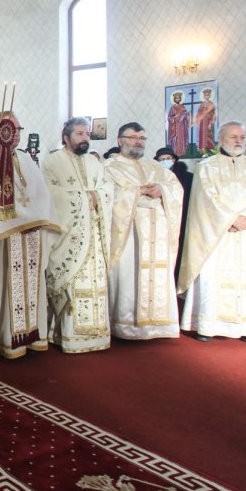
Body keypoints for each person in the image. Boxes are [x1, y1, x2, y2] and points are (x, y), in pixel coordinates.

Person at [178, 122, 246, 344]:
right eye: (233, 136)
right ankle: (207, 325)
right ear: (220, 139)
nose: (238, 141)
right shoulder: (207, 167)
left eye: (242, 137)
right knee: (213, 274)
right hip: (216, 234)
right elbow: (205, 198)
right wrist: (230, 218)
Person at [0, 111, 61, 359]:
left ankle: (28, 336)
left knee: (29, 287)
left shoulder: (27, 160)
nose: (15, 134)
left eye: (18, 129)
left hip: (30, 236)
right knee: (0, 288)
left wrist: (37, 220)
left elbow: (41, 196)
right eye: (10, 129)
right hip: (1, 239)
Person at [103, 123, 183, 340]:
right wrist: (136, 192)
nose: (138, 142)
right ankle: (125, 324)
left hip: (157, 230)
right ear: (120, 140)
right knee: (129, 273)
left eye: (142, 138)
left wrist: (162, 190)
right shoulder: (109, 167)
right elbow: (107, 196)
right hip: (127, 231)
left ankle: (159, 324)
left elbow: (176, 188)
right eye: (133, 137)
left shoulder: (156, 167)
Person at [43, 117, 112, 353]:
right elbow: (50, 193)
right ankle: (66, 336)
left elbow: (106, 188)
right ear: (66, 137)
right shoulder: (52, 162)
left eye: (87, 134)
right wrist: (84, 198)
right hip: (69, 233)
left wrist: (98, 197)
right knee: (70, 282)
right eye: (80, 134)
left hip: (94, 233)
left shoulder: (95, 163)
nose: (85, 138)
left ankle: (97, 335)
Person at [155, 146, 193, 281]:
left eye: (168, 158)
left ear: (175, 160)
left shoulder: (187, 177)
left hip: (182, 218)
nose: (166, 161)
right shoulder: (154, 177)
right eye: (162, 159)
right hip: (162, 219)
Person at [166, 91, 190, 156]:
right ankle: (175, 152)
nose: (177, 100)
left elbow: (185, 115)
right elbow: (169, 118)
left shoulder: (183, 107)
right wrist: (174, 118)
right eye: (176, 98)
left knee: (182, 139)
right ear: (174, 99)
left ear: (180, 99)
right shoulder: (172, 108)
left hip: (182, 127)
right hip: (175, 127)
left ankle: (182, 152)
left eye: (178, 98)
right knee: (175, 139)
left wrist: (186, 115)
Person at [196, 87, 217, 152]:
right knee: (202, 134)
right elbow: (199, 113)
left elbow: (213, 114)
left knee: (208, 135)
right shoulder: (201, 104)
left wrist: (210, 123)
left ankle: (209, 149)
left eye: (208, 95)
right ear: (204, 96)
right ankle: (202, 149)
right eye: (205, 95)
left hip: (208, 122)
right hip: (202, 122)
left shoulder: (211, 104)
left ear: (210, 96)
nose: (206, 96)